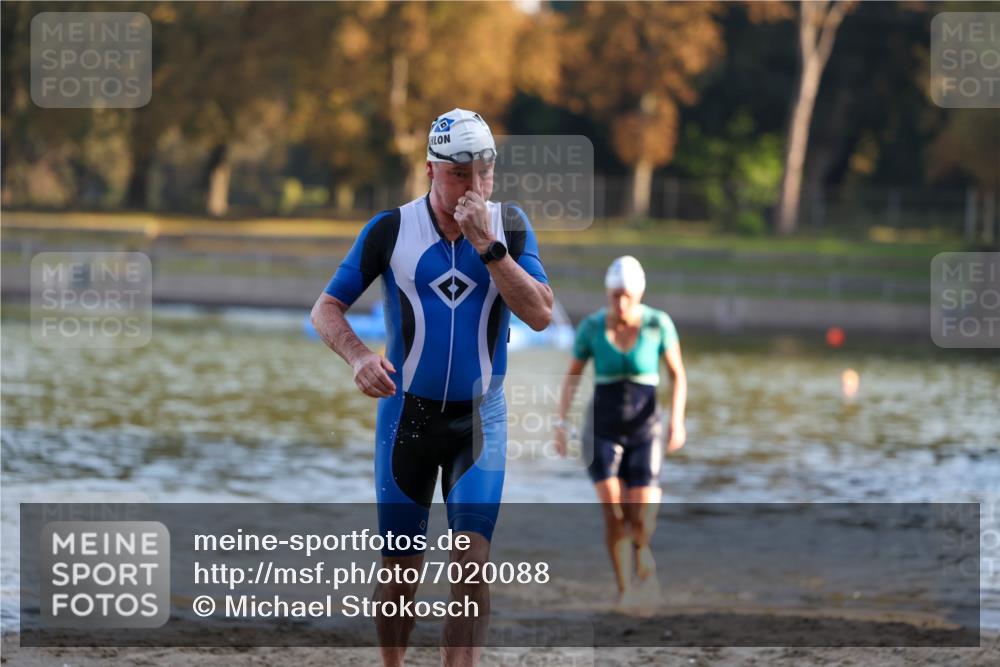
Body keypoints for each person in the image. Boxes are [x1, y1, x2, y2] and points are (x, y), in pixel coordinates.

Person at [310, 108, 553, 667]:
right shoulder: (390, 229)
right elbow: (326, 308)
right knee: (400, 571)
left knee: (471, 563)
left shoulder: (509, 226)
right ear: (430, 171)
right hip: (407, 420)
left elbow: (540, 314)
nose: (474, 185)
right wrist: (356, 356)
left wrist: (489, 248)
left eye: (484, 172)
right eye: (460, 174)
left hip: (479, 420)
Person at [554, 256, 687, 605]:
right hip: (602, 430)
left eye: (627, 295)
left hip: (646, 430)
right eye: (615, 295)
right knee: (614, 513)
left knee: (641, 519)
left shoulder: (659, 324)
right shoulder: (592, 327)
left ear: (639, 294)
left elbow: (678, 376)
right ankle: (624, 590)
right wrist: (560, 424)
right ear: (607, 293)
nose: (621, 303)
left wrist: (677, 420)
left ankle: (642, 547)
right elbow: (572, 377)